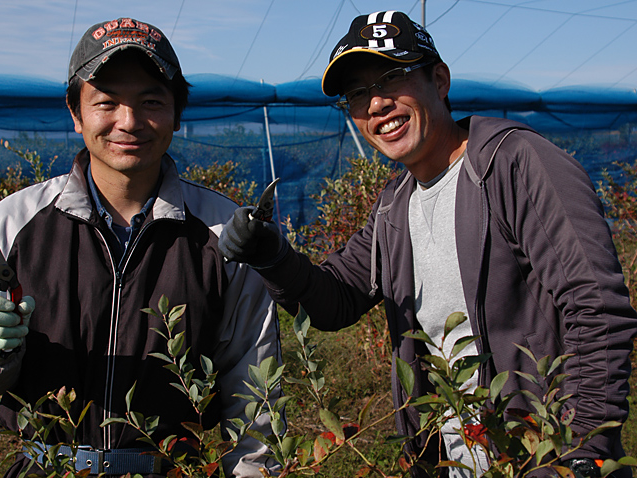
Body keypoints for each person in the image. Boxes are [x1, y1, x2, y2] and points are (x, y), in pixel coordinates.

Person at [219, 10, 637, 478]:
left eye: (392, 77)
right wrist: (272, 255)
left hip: (540, 459)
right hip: (449, 464)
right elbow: (337, 300)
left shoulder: (515, 165)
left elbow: (595, 306)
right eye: (357, 94)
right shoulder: (395, 206)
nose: (375, 103)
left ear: (439, 80)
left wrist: (581, 451)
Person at [0, 17, 281, 478]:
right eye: (107, 103)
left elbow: (254, 388)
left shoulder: (224, 235)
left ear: (177, 114)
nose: (129, 121)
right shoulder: (16, 222)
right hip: (49, 468)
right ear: (76, 113)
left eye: (151, 102)